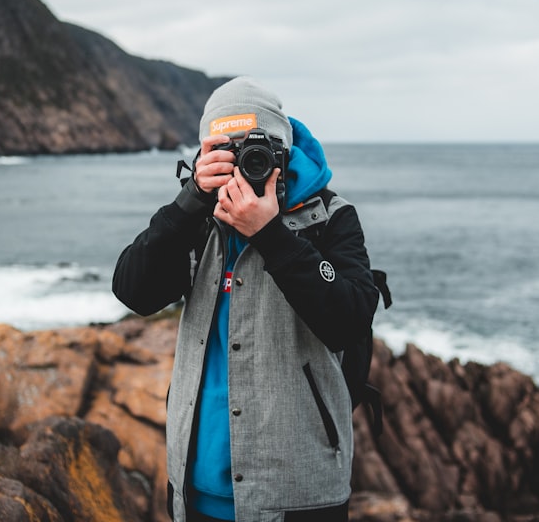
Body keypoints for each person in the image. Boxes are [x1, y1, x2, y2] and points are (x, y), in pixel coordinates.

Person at [113, 77, 380, 522]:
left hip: (298, 494)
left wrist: (271, 235)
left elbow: (350, 317)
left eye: (257, 152)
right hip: (194, 492)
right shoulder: (197, 222)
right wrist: (189, 201)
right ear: (205, 156)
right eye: (227, 154)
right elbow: (133, 291)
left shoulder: (329, 218)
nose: (245, 166)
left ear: (284, 154)